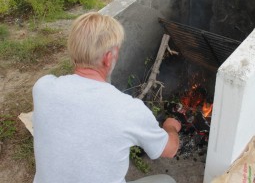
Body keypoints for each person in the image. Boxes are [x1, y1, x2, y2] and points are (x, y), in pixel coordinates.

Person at [32, 12, 181, 183]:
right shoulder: (128, 109)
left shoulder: (43, 87)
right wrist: (171, 127)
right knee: (166, 180)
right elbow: (169, 150)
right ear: (108, 58)